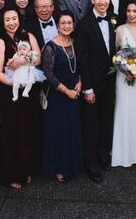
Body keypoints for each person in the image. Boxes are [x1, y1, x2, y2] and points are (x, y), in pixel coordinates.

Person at [0, 7, 42, 189]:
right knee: (12, 132)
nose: (12, 22)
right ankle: (11, 174)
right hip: (10, 94)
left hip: (29, 91)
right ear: (2, 22)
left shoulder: (28, 36)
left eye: (14, 18)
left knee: (28, 129)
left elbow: (38, 58)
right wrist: (16, 85)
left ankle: (27, 168)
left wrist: (23, 61)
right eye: (7, 20)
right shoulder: (0, 42)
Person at [77, 0, 118, 182]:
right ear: (92, 0)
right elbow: (83, 59)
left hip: (110, 82)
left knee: (106, 121)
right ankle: (90, 162)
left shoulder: (113, 19)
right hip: (92, 83)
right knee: (91, 123)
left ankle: (104, 155)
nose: (102, 1)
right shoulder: (84, 24)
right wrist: (87, 88)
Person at [40, 12, 85, 183]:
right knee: (58, 132)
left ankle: (71, 165)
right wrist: (67, 91)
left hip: (74, 92)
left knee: (71, 129)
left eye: (69, 22)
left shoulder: (75, 43)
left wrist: (80, 82)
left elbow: (79, 67)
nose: (66, 26)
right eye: (63, 23)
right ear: (57, 26)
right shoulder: (50, 47)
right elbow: (49, 75)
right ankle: (58, 168)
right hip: (58, 95)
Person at [111, 0, 136, 168]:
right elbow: (114, 56)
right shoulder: (120, 30)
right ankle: (123, 154)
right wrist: (125, 70)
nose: (131, 14)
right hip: (124, 78)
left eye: (135, 11)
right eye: (128, 11)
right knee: (124, 111)